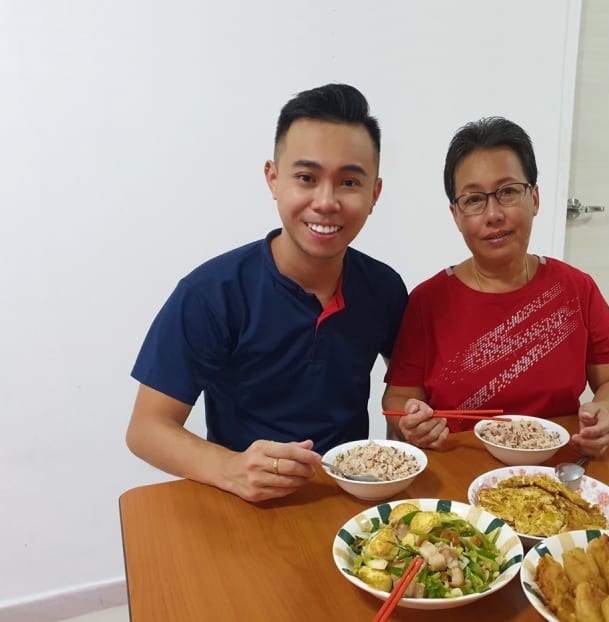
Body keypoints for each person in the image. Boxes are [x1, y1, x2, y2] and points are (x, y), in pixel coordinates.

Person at [127, 83, 407, 502]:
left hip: (349, 499)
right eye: (306, 178)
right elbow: (146, 429)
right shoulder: (211, 294)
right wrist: (230, 469)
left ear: (374, 194)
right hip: (240, 502)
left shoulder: (384, 288)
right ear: (273, 179)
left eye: (349, 181)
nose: (326, 202)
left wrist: (408, 431)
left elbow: (407, 386)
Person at [382, 116, 609, 456]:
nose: (493, 214)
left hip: (557, 471)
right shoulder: (428, 302)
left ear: (534, 198)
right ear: (456, 215)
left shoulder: (575, 289)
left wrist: (605, 411)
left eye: (507, 192)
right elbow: (399, 400)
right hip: (460, 473)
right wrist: (412, 423)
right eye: (474, 199)